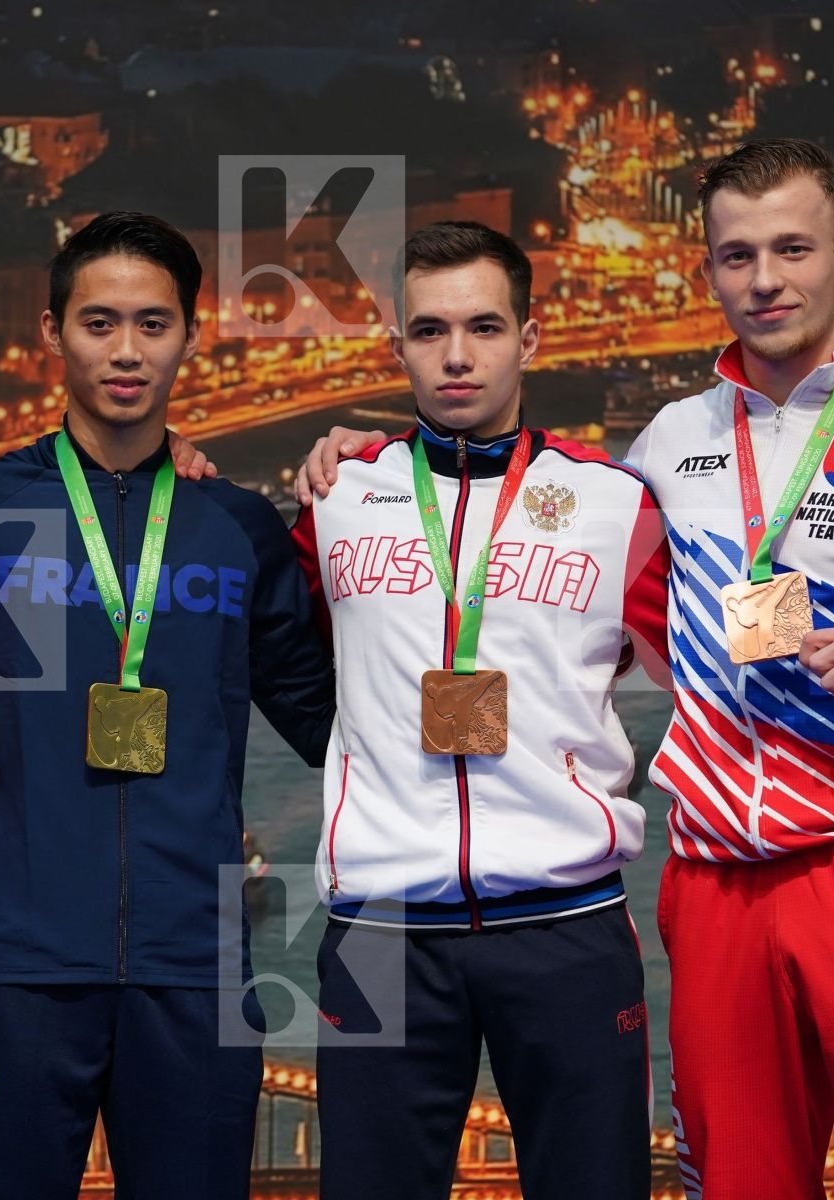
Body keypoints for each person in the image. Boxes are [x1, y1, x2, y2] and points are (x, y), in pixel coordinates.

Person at [298, 140, 834, 1200]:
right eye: (735, 255)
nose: (763, 280)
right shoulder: (661, 448)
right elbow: (536, 574)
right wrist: (384, 453)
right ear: (707, 274)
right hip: (713, 880)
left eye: (790, 249)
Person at [0, 211, 335, 1200]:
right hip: (19, 968)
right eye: (99, 323)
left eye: (152, 325)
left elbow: (332, 727)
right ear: (52, 332)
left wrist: (390, 467)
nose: (126, 350)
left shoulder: (235, 525)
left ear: (191, 336)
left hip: (197, 971)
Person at [291, 220, 671, 1200]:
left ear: (529, 339)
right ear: (397, 346)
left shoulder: (616, 503)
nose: (456, 355)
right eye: (428, 331)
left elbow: (729, 650)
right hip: (379, 931)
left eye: (483, 327)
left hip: (566, 925)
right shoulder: (335, 495)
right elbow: (260, 648)